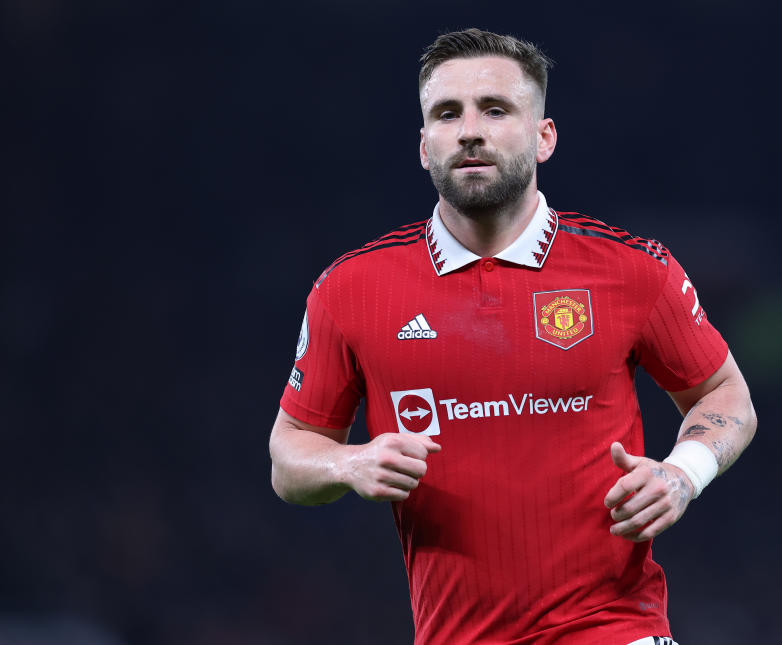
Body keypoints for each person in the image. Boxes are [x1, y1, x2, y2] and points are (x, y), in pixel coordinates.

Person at [269, 28, 756, 645]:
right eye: (448, 114)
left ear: (544, 136)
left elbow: (724, 395)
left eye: (495, 110)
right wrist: (349, 460)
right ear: (424, 146)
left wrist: (682, 473)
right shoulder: (352, 290)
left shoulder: (633, 271)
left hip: (613, 629)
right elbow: (289, 457)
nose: (470, 130)